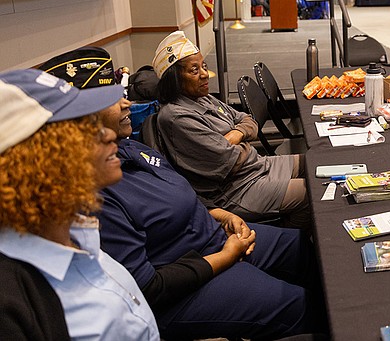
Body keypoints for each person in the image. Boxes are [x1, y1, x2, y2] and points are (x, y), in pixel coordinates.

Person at [42, 47, 326, 340]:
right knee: (306, 307)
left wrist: (217, 214)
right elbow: (147, 287)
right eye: (112, 99)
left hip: (215, 235)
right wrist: (224, 258)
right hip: (188, 284)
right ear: (77, 121)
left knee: (314, 251)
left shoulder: (127, 147)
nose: (126, 103)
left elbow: (178, 190)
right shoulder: (92, 192)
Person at [0, 69, 159, 340]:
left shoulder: (78, 233)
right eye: (82, 131)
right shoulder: (16, 304)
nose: (108, 135)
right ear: (35, 160)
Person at [153, 31, 312, 231]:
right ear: (174, 79)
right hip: (235, 189)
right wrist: (242, 139)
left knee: (316, 163)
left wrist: (235, 135)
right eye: (194, 70)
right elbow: (228, 160)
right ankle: (295, 246)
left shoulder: (202, 97)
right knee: (311, 195)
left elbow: (248, 120)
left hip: (257, 165)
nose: (204, 74)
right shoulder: (176, 117)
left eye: (204, 66)